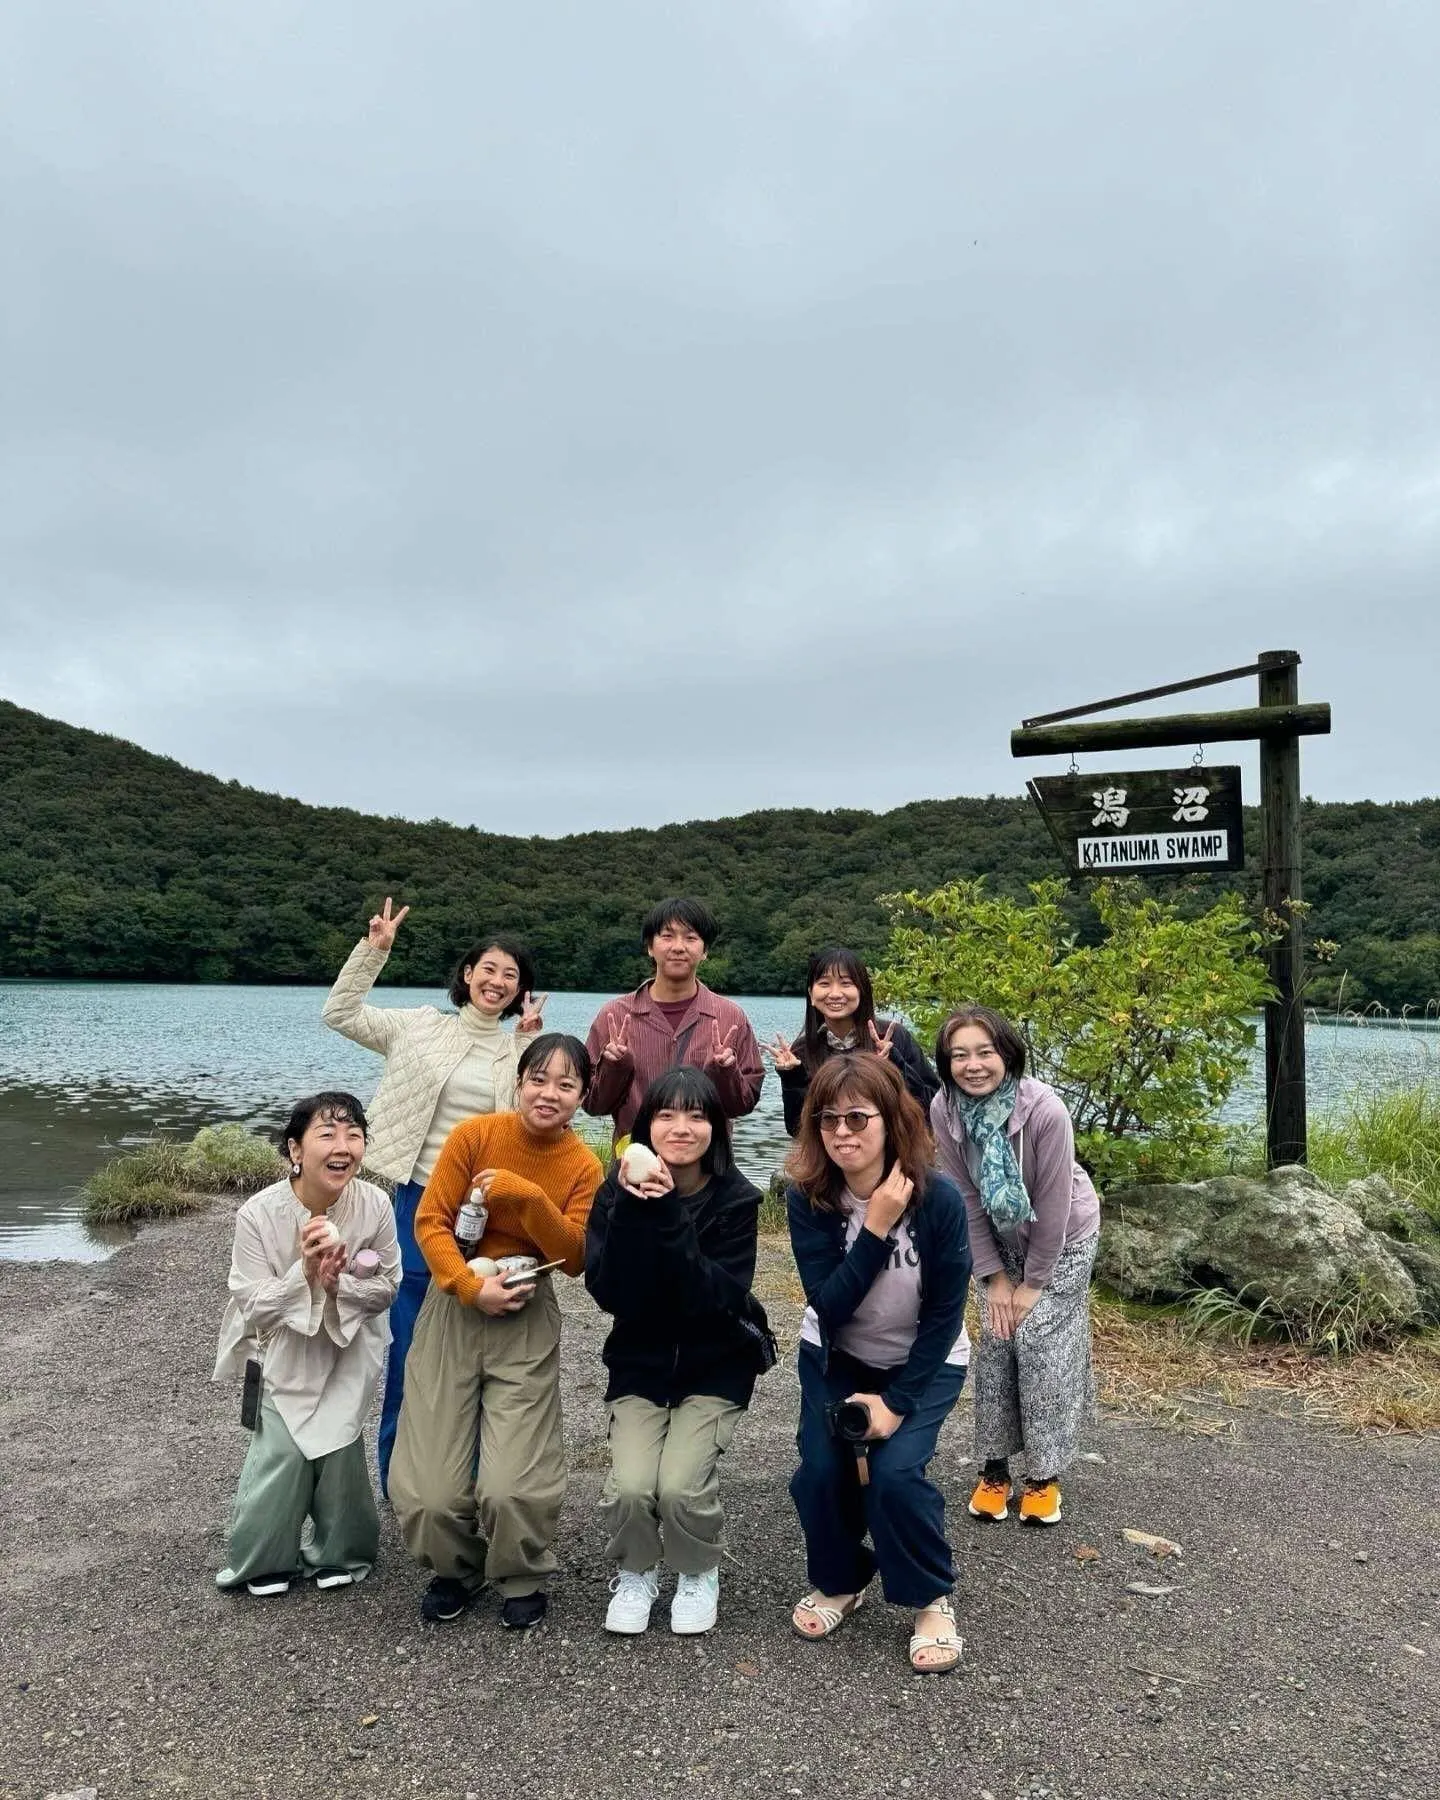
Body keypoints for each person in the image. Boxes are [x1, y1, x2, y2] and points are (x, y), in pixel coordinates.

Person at [321, 897, 546, 1493]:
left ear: (520, 989)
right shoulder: (418, 1026)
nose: (497, 981)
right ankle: (398, 1477)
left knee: (475, 1344)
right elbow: (339, 1013)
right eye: (488, 968)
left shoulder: (520, 1053)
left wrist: (528, 1045)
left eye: (511, 974)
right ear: (467, 974)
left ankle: (463, 1481)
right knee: (411, 1342)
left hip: (488, 1213)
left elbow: (536, 1121)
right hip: (419, 1200)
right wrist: (374, 951)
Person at [388, 1033, 603, 1630]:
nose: (549, 1093)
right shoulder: (473, 1136)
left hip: (527, 1312)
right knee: (428, 1490)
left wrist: (528, 1196)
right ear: (519, 1082)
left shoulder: (584, 1166)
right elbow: (431, 1222)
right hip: (454, 1307)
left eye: (566, 1084)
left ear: (583, 1096)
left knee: (514, 1483)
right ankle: (456, 1568)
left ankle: (521, 1572)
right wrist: (467, 1284)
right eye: (538, 1079)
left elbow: (576, 1256)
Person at [785, 1056, 973, 1674]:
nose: (842, 1132)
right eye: (828, 1119)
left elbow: (944, 1314)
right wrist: (875, 1227)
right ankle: (842, 1579)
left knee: (895, 1475)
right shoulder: (810, 1198)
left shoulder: (939, 1200)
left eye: (858, 1118)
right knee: (819, 1472)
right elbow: (829, 1305)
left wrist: (896, 1403)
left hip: (924, 1360)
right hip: (836, 1354)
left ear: (890, 1120)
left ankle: (929, 1596)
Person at [584, 1069, 770, 1637]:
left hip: (715, 1363)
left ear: (716, 1129)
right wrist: (629, 1206)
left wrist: (666, 1212)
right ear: (646, 1127)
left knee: (681, 1487)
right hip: (640, 1362)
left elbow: (710, 1299)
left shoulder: (737, 1201)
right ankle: (637, 1571)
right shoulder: (615, 1192)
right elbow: (608, 1291)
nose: (681, 1128)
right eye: (666, 1115)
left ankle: (696, 1570)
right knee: (632, 1488)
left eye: (696, 1115)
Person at [215, 1091, 400, 1596]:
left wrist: (339, 1284)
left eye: (354, 1135)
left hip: (347, 1344)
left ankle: (341, 1552)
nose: (343, 1147)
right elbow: (253, 1302)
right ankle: (263, 1559)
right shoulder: (258, 1214)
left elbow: (388, 1287)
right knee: (281, 1454)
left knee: (339, 1450)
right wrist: (305, 1272)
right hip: (282, 1345)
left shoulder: (375, 1204)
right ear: (295, 1149)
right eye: (327, 1134)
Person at [929, 1005, 1100, 1528]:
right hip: (998, 1244)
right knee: (999, 1338)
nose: (973, 1065)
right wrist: (996, 1277)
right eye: (959, 1055)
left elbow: (1054, 1203)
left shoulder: (1045, 1111)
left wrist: (1033, 1283)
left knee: (1038, 1339)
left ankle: (1044, 1475)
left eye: (985, 1052)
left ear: (1007, 1054)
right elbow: (964, 1197)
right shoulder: (944, 1109)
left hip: (1063, 1239)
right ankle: (994, 1468)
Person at [583, 897, 764, 1147]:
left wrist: (725, 1072)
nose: (678, 947)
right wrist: (614, 1066)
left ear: (705, 951)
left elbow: (743, 1104)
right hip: (636, 1162)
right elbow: (592, 1104)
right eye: (667, 936)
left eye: (690, 938)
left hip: (707, 1163)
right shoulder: (615, 1016)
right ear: (650, 946)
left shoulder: (730, 1018)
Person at [766, 947, 939, 1135]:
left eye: (846, 983)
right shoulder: (802, 1050)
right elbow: (797, 1130)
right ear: (811, 994)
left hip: (892, 1151)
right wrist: (793, 1078)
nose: (835, 993)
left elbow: (933, 1109)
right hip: (834, 1151)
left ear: (861, 991)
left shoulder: (892, 1037)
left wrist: (895, 1065)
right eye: (824, 983)